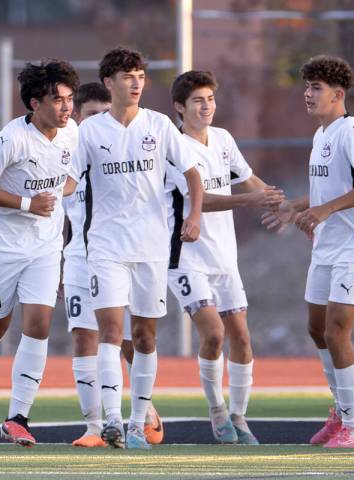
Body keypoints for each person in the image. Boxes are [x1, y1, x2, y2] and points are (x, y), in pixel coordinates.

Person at [68, 47, 204, 449]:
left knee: (144, 338)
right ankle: (111, 419)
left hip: (151, 247)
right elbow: (70, 181)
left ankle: (136, 421)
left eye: (141, 76)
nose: (136, 83)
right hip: (105, 246)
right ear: (109, 83)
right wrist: (40, 197)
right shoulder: (90, 132)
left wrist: (193, 216)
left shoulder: (160, 126)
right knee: (109, 332)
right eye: (128, 76)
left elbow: (192, 176)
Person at [262, 55, 354, 448]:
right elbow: (324, 194)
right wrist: (295, 207)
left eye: (316, 88)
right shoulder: (321, 136)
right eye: (307, 86)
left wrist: (324, 210)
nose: (308, 94)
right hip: (326, 248)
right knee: (316, 330)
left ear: (338, 94)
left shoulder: (351, 131)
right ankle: (340, 409)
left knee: (336, 332)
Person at [0, 59, 80, 448]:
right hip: (0, 249)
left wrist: (59, 194)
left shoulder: (71, 133)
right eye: (57, 100)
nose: (66, 107)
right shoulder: (10, 140)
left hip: (45, 247)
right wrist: (28, 204)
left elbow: (74, 174)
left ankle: (17, 417)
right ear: (34, 103)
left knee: (39, 326)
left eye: (69, 99)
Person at [165, 70, 284, 445]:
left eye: (211, 99)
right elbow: (199, 200)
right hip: (185, 256)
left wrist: (287, 209)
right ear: (179, 108)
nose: (207, 106)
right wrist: (249, 200)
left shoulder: (223, 139)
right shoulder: (174, 147)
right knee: (213, 334)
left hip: (224, 258)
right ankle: (217, 409)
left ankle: (239, 415)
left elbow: (249, 180)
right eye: (199, 100)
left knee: (242, 339)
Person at [64, 82, 163, 447]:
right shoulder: (68, 151)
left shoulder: (129, 151)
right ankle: (97, 427)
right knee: (84, 337)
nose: (97, 121)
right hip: (78, 256)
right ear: (78, 117)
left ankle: (143, 408)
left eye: (103, 114)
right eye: (90, 114)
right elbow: (61, 215)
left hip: (121, 250)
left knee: (128, 339)